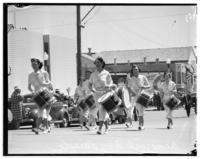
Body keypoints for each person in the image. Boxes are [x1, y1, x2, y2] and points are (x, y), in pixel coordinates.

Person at [88, 57, 115, 135]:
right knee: (102, 110)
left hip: (105, 93)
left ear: (102, 63)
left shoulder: (107, 73)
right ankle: (106, 126)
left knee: (102, 109)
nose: (97, 64)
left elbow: (111, 83)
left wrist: (108, 86)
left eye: (98, 63)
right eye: (96, 63)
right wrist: (93, 90)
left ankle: (100, 128)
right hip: (96, 94)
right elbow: (90, 85)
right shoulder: (93, 74)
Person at [28, 58, 53, 134]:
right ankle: (46, 127)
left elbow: (49, 83)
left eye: (35, 64)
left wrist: (46, 84)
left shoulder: (44, 73)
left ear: (39, 64)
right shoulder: (30, 75)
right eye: (32, 64)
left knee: (42, 110)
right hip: (37, 95)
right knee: (41, 111)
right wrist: (32, 91)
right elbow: (29, 87)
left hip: (44, 93)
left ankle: (39, 128)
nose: (33, 65)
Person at [126, 65, 150, 130]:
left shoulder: (143, 77)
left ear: (138, 70)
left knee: (141, 111)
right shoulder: (131, 79)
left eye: (136, 69)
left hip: (142, 95)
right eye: (134, 70)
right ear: (132, 71)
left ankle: (141, 125)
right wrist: (132, 92)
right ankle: (139, 124)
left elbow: (149, 85)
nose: (135, 71)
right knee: (136, 110)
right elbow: (128, 87)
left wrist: (143, 87)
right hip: (135, 96)